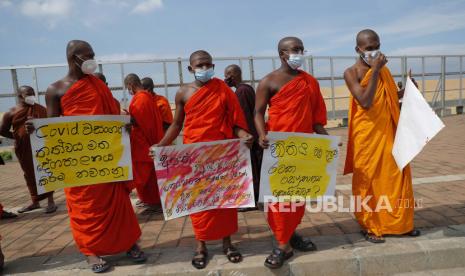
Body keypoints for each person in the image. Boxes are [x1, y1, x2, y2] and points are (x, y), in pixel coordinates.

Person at [35, 40, 146, 273]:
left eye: (93, 54)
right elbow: (53, 131)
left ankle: (129, 244)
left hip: (106, 161)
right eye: (88, 55)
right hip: (79, 164)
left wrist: (122, 128)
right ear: (73, 58)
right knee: (84, 207)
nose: (92, 59)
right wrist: (37, 130)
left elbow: (111, 118)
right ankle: (90, 252)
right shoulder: (56, 90)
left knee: (119, 204)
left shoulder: (98, 85)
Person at [154, 50, 253, 269]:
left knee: (225, 200)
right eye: (200, 65)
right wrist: (161, 145)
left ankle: (227, 243)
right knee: (199, 203)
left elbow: (235, 122)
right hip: (196, 157)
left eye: (208, 64)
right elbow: (176, 124)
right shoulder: (183, 93)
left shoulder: (223, 90)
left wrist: (244, 135)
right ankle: (201, 246)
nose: (205, 68)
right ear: (190, 69)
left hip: (222, 156)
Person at [255, 37, 327, 269]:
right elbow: (257, 112)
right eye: (294, 50)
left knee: (297, 198)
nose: (299, 53)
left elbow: (316, 119)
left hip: (303, 148)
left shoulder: (310, 82)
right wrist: (260, 134)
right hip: (279, 149)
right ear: (282, 54)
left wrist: (327, 139)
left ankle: (289, 235)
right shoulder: (269, 81)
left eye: (301, 49)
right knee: (278, 201)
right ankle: (282, 245)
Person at [343, 29, 420, 243]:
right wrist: (376, 70)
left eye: (377, 46)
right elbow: (366, 101)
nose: (374, 51)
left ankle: (399, 224)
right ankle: (370, 225)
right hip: (367, 136)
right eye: (369, 48)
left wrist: (407, 91)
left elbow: (387, 98)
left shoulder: (384, 71)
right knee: (370, 180)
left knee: (395, 175)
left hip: (389, 131)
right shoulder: (351, 72)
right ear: (358, 49)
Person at [0, 86, 57, 214]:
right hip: (23, 148)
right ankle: (35, 201)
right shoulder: (11, 112)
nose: (31, 96)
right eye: (28, 94)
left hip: (42, 147)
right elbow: (2, 130)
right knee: (29, 174)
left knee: (46, 171)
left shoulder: (42, 109)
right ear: (20, 96)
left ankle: (51, 201)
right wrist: (18, 136)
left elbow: (51, 126)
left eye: (32, 93)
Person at [224, 64, 262, 210]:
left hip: (248, 135)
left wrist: (244, 135)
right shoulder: (245, 88)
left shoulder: (242, 91)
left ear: (233, 75)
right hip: (252, 134)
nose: (226, 78)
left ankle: (251, 200)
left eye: (228, 75)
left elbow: (242, 116)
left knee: (250, 168)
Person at [125, 73, 164, 211]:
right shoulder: (146, 97)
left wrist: (127, 119)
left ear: (130, 85)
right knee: (148, 173)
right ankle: (148, 200)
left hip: (144, 141)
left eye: (127, 87)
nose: (128, 91)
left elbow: (140, 122)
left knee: (145, 173)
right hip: (146, 139)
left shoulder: (141, 98)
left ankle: (154, 202)